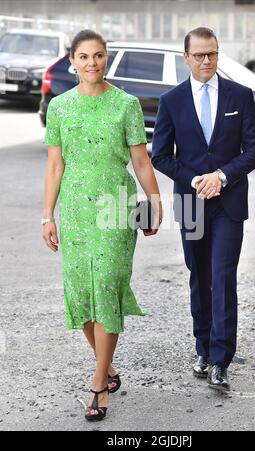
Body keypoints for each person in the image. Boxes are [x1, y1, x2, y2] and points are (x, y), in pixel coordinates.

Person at [42, 30, 163, 421]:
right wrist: (48, 216)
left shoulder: (126, 104)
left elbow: (141, 162)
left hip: (116, 208)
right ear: (72, 61)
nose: (92, 63)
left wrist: (154, 203)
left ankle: (97, 385)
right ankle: (107, 366)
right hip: (75, 212)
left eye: (98, 56)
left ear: (105, 58)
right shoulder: (60, 107)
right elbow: (55, 165)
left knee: (107, 286)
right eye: (84, 57)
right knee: (81, 293)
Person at [152, 27, 255, 391]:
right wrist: (197, 179)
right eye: (199, 55)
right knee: (199, 276)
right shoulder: (171, 101)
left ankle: (220, 359)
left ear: (219, 53)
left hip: (229, 204)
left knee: (222, 277)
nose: (206, 61)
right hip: (191, 203)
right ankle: (202, 348)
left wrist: (221, 176)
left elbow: (254, 151)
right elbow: (160, 156)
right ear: (186, 57)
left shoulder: (240, 95)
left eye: (212, 54)